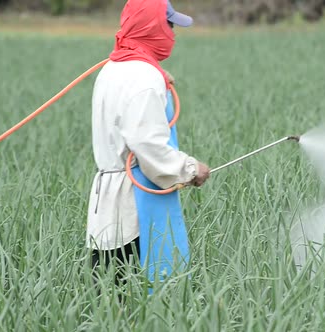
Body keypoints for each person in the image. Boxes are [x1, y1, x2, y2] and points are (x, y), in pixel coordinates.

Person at [86, 0, 210, 291]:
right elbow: (148, 146)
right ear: (152, 26)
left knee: (107, 298)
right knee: (139, 300)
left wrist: (155, 74)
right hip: (134, 206)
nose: (173, 34)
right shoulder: (143, 77)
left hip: (105, 207)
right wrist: (190, 169)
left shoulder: (114, 68)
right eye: (168, 25)